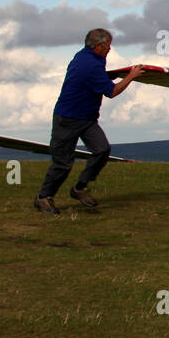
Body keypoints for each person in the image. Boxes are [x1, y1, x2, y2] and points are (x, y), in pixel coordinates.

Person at [34, 28, 144, 215]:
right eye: (108, 46)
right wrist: (131, 77)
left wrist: (107, 76)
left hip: (87, 119)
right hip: (67, 119)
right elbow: (112, 92)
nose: (110, 49)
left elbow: (95, 78)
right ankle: (43, 198)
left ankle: (79, 188)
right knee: (63, 164)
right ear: (99, 46)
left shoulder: (90, 57)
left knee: (102, 150)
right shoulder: (89, 64)